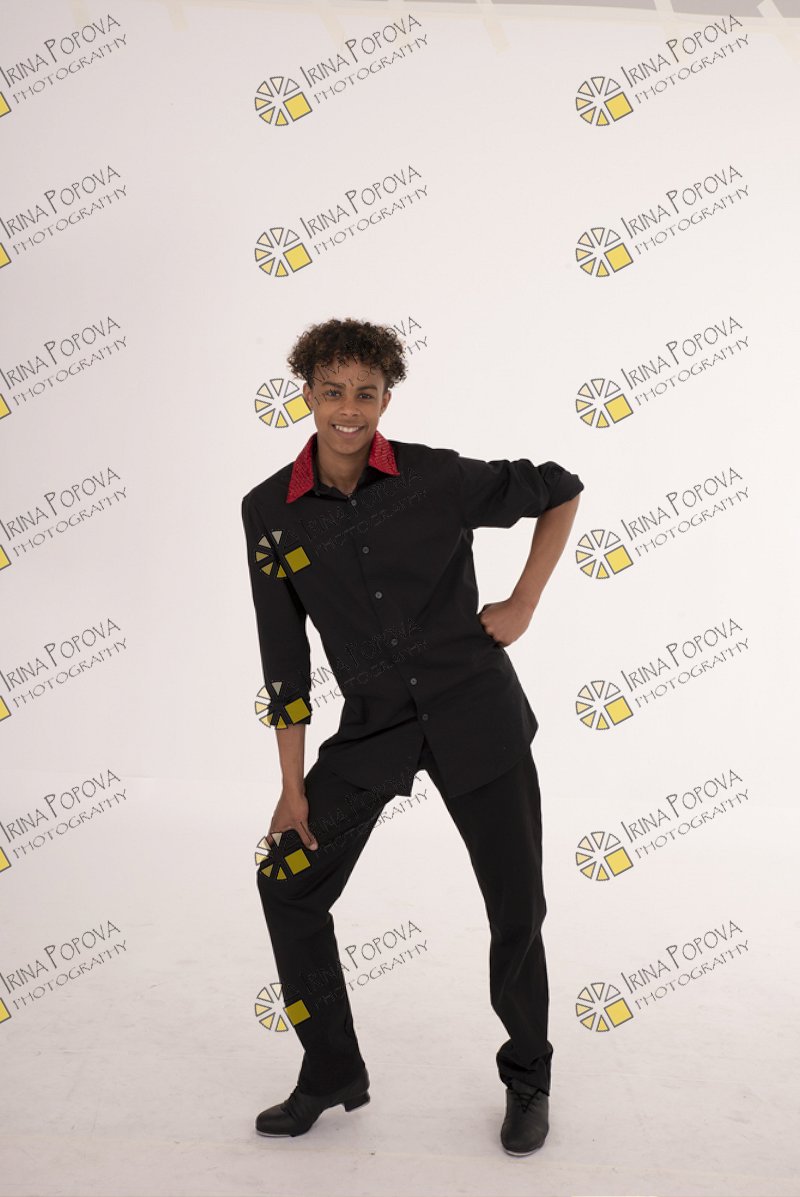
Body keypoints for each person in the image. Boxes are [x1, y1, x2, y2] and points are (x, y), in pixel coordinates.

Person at [241, 317, 584, 1156]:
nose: (348, 409)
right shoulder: (269, 512)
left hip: (476, 710)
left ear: (386, 398)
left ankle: (529, 1076)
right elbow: (284, 657)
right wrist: (292, 786)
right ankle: (331, 1067)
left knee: (516, 906)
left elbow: (560, 486)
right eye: (332, 391)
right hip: (376, 728)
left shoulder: (435, 477)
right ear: (306, 395)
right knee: (287, 881)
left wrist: (524, 602)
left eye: (365, 393)